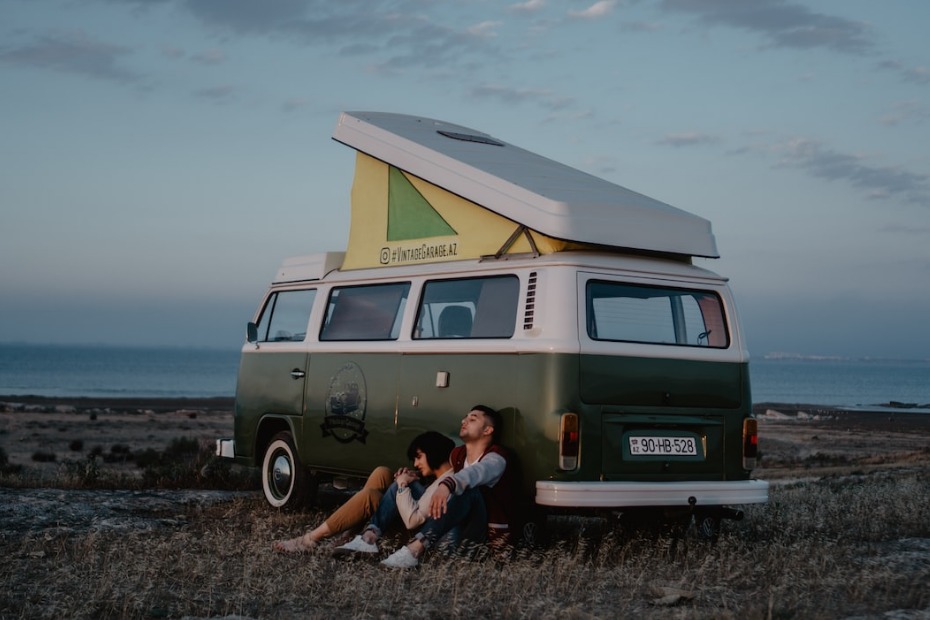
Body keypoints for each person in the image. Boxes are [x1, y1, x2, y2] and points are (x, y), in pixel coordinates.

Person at [379, 404, 520, 568]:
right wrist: (412, 476)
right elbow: (444, 472)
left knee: (469, 491)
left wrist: (446, 486)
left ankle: (415, 549)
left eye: (472, 419)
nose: (464, 421)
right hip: (453, 528)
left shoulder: (496, 459)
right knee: (401, 484)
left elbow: (475, 473)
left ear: (488, 430)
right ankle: (369, 538)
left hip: (483, 537)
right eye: (465, 417)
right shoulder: (457, 455)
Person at [272, 431, 454, 553]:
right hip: (413, 518)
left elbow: (412, 521)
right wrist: (413, 478)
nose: (416, 463)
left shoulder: (445, 485)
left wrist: (402, 486)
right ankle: (350, 534)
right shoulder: (442, 478)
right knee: (382, 472)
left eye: (419, 457)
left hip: (414, 535)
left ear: (435, 453)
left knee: (371, 497)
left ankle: (310, 539)